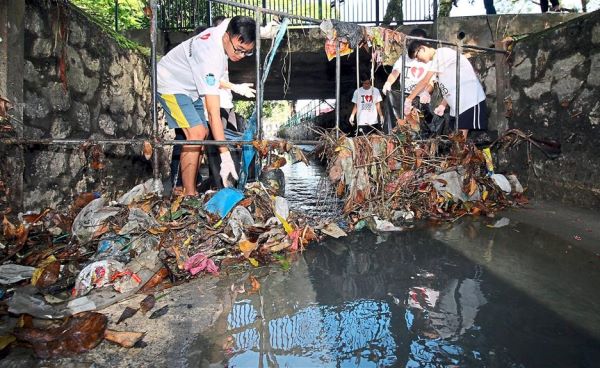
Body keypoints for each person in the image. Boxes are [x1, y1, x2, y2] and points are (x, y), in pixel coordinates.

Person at [157, 16, 256, 196]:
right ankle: (189, 193)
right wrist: (225, 156)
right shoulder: (210, 55)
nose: (241, 56)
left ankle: (189, 190)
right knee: (195, 133)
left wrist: (265, 30)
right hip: (170, 83)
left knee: (201, 134)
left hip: (191, 87)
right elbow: (213, 113)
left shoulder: (228, 28)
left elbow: (236, 22)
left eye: (247, 52)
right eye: (239, 50)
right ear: (227, 37)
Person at [404, 40, 487, 139]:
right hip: (458, 106)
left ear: (422, 48)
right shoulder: (437, 61)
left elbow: (425, 81)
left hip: (470, 101)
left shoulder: (441, 54)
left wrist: (409, 99)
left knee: (461, 141)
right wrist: (443, 105)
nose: (417, 60)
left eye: (417, 56)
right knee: (456, 139)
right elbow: (451, 85)